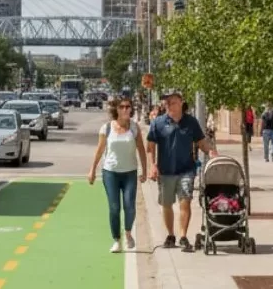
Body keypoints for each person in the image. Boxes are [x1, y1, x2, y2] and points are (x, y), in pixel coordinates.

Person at [147, 90, 217, 251]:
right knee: (166, 204)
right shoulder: (158, 123)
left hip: (187, 169)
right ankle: (171, 235)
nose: (168, 105)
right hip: (166, 171)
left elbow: (201, 142)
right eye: (166, 102)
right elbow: (150, 147)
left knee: (185, 202)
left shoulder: (190, 122)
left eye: (172, 102)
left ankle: (183, 236)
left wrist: (211, 151)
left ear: (180, 102)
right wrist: (153, 165)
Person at [87, 98, 148, 253]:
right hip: (110, 173)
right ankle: (117, 240)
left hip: (130, 173)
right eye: (122, 107)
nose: (126, 109)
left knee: (130, 206)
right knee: (114, 207)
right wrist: (92, 169)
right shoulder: (106, 128)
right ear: (117, 110)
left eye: (128, 106)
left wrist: (145, 170)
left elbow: (141, 149)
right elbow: (100, 150)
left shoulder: (134, 128)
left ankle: (128, 233)